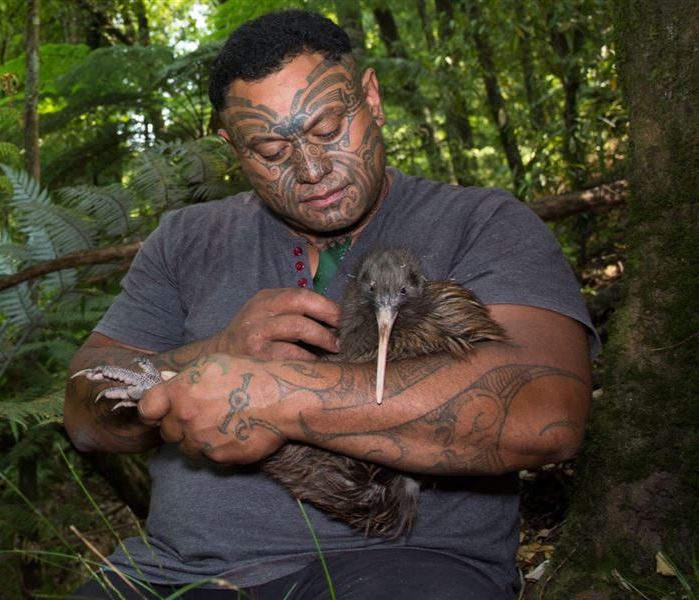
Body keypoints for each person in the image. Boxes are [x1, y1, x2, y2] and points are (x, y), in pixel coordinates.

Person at [64, 9, 596, 600]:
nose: (312, 170)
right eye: (269, 148)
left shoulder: (481, 222)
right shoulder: (186, 240)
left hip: (407, 571)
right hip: (175, 573)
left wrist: (277, 398)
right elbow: (84, 416)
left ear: (369, 96)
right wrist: (211, 352)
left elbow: (548, 413)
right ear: (232, 147)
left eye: (327, 128)